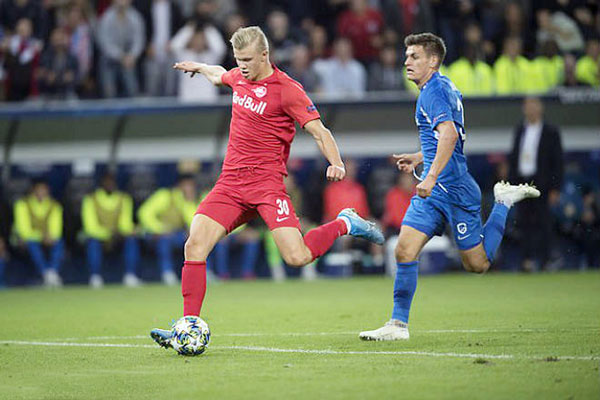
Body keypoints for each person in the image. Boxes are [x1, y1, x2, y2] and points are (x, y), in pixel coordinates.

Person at [150, 26, 384, 350]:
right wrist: (200, 67)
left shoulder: (287, 89)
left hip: (266, 186)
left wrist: (337, 162)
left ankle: (346, 222)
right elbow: (221, 75)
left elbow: (319, 130)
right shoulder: (239, 77)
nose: (242, 66)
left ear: (265, 55)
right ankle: (187, 326)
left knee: (297, 257)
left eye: (247, 59)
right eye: (237, 59)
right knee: (195, 246)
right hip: (230, 184)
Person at [359, 33, 540, 341]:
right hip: (434, 192)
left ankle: (503, 202)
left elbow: (450, 136)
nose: (406, 61)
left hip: (454, 190)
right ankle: (397, 325)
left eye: (414, 56)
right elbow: (444, 138)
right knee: (404, 250)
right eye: (406, 56)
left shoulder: (434, 92)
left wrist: (429, 177)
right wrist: (420, 158)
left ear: (433, 60)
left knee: (477, 264)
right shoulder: (437, 88)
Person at [508, 97, 563, 272]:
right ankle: (527, 260)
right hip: (522, 183)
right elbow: (513, 158)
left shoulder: (551, 131)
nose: (530, 109)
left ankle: (546, 260)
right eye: (527, 106)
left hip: (542, 183)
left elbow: (558, 162)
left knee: (544, 222)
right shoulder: (519, 130)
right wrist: (512, 185)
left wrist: (555, 188)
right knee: (524, 223)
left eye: (534, 106)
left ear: (541, 109)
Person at [137, 174, 200, 285]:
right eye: (187, 185)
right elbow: (144, 213)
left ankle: (199, 274)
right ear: (179, 185)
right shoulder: (164, 195)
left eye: (191, 186)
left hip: (175, 235)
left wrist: (189, 202)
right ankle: (167, 273)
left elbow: (192, 221)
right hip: (153, 234)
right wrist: (160, 229)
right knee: (164, 240)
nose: (189, 189)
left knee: (197, 240)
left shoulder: (185, 201)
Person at [81, 173, 140, 288]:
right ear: (101, 183)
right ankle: (95, 276)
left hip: (117, 236)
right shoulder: (90, 199)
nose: (109, 185)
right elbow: (90, 226)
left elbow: (125, 222)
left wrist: (129, 230)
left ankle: (130, 275)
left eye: (112, 182)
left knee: (131, 240)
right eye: (107, 182)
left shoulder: (124, 198)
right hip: (98, 236)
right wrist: (107, 234)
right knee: (92, 242)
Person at [12, 179, 64, 288]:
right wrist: (41, 236)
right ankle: (45, 273)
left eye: (44, 190)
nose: (42, 192)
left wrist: (50, 236)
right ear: (33, 190)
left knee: (59, 242)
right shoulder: (22, 204)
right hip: (21, 240)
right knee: (32, 243)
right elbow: (23, 230)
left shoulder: (54, 205)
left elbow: (56, 229)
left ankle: (52, 272)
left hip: (46, 239)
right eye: (39, 190)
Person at [96, 0, 145, 98]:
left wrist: (132, 56)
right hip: (110, 59)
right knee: (109, 92)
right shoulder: (107, 17)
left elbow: (139, 40)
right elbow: (105, 43)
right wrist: (120, 56)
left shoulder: (135, 17)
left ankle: (133, 109)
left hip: (128, 59)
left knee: (132, 89)